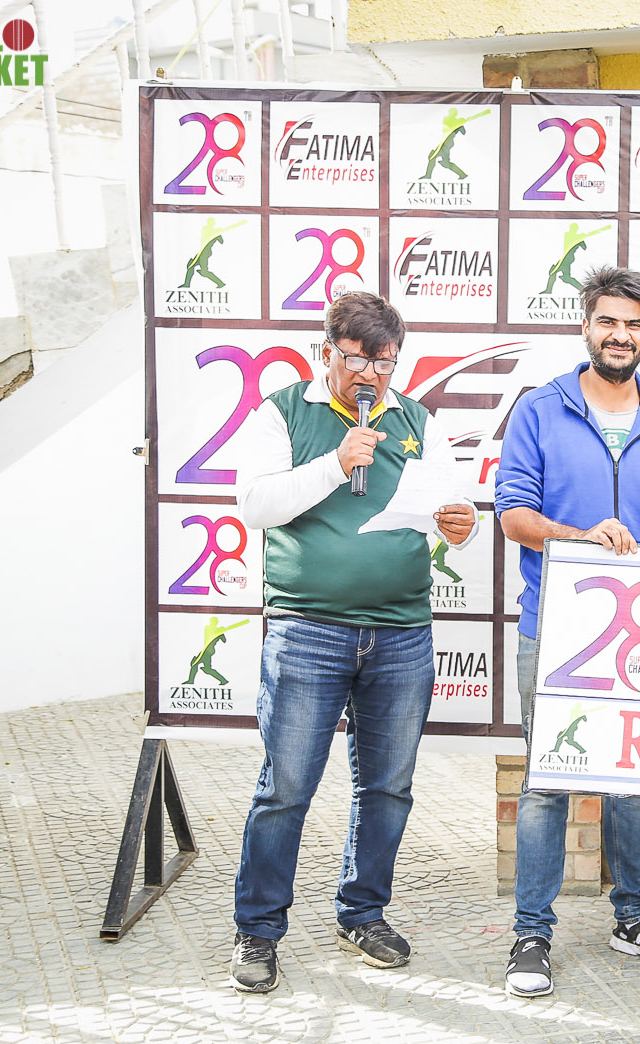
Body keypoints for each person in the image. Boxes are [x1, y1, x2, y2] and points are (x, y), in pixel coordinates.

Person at [228, 292, 479, 994]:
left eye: (385, 362)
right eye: (358, 359)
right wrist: (336, 464)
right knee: (285, 787)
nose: (371, 375)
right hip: (307, 630)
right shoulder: (284, 412)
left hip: (401, 632)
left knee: (388, 787)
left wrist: (461, 525)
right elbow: (253, 504)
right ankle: (258, 929)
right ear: (327, 352)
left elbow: (448, 510)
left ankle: (362, 913)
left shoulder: (417, 420)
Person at [495, 266, 640, 998]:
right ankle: (532, 931)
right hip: (558, 625)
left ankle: (634, 918)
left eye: (634, 324)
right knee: (548, 781)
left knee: (635, 781)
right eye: (608, 322)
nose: (621, 335)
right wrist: (580, 536)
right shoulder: (540, 409)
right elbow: (513, 514)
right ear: (586, 326)